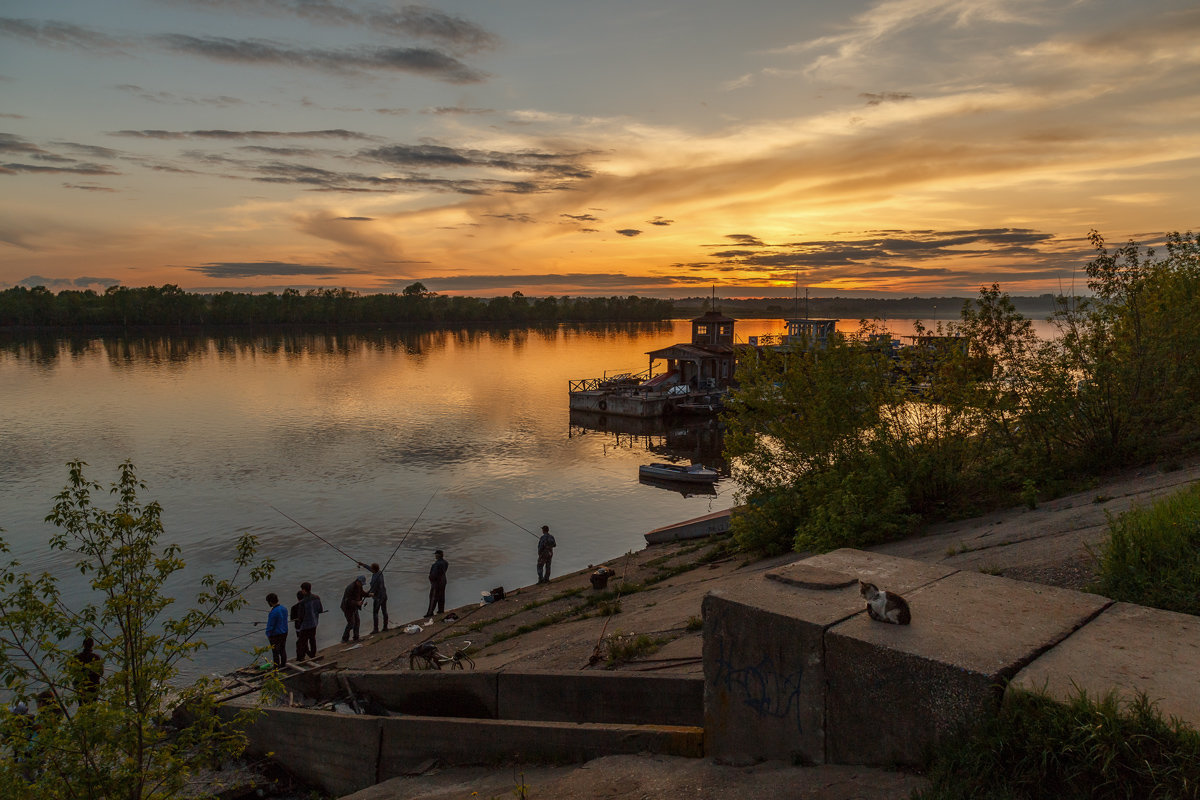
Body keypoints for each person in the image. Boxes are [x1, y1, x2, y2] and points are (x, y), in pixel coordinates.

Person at [71, 636, 103, 704]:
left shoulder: (77, 657)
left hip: (81, 687)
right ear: (93, 645)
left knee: (82, 706)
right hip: (93, 686)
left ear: (83, 645)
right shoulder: (96, 658)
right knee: (92, 707)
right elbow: (101, 673)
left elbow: (72, 672)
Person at [296, 581, 323, 660]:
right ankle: (313, 654)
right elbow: (320, 610)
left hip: (305, 625)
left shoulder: (302, 602)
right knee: (312, 639)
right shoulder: (317, 597)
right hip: (314, 622)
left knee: (301, 642)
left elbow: (300, 616)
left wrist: (300, 623)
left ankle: (301, 658)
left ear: (304, 590)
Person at [360, 562, 388, 634]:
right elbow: (371, 569)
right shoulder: (379, 572)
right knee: (384, 611)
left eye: (371, 568)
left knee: (375, 613)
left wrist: (366, 594)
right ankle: (385, 627)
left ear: (373, 569)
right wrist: (363, 565)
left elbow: (373, 589)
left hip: (378, 597)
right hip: (384, 595)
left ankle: (376, 629)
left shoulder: (375, 578)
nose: (371, 569)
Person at [340, 575, 367, 643]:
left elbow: (362, 593)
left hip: (354, 607)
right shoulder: (350, 588)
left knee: (357, 621)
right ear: (358, 581)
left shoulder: (359, 586)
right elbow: (347, 601)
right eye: (361, 583)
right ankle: (344, 639)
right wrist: (357, 603)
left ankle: (356, 637)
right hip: (347, 608)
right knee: (351, 623)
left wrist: (369, 594)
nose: (362, 585)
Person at [265, 593, 288, 668]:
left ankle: (276, 668)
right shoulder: (284, 608)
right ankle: (283, 664)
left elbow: (270, 626)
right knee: (282, 649)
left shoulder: (273, 613)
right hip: (284, 632)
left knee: (275, 653)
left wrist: (268, 634)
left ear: (270, 602)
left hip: (275, 635)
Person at [425, 549, 448, 618]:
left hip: (436, 583)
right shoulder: (445, 563)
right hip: (443, 581)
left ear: (438, 555)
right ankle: (441, 610)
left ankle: (430, 613)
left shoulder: (436, 564)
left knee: (433, 598)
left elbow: (433, 576)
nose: (435, 555)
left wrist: (430, 577)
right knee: (441, 596)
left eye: (436, 554)